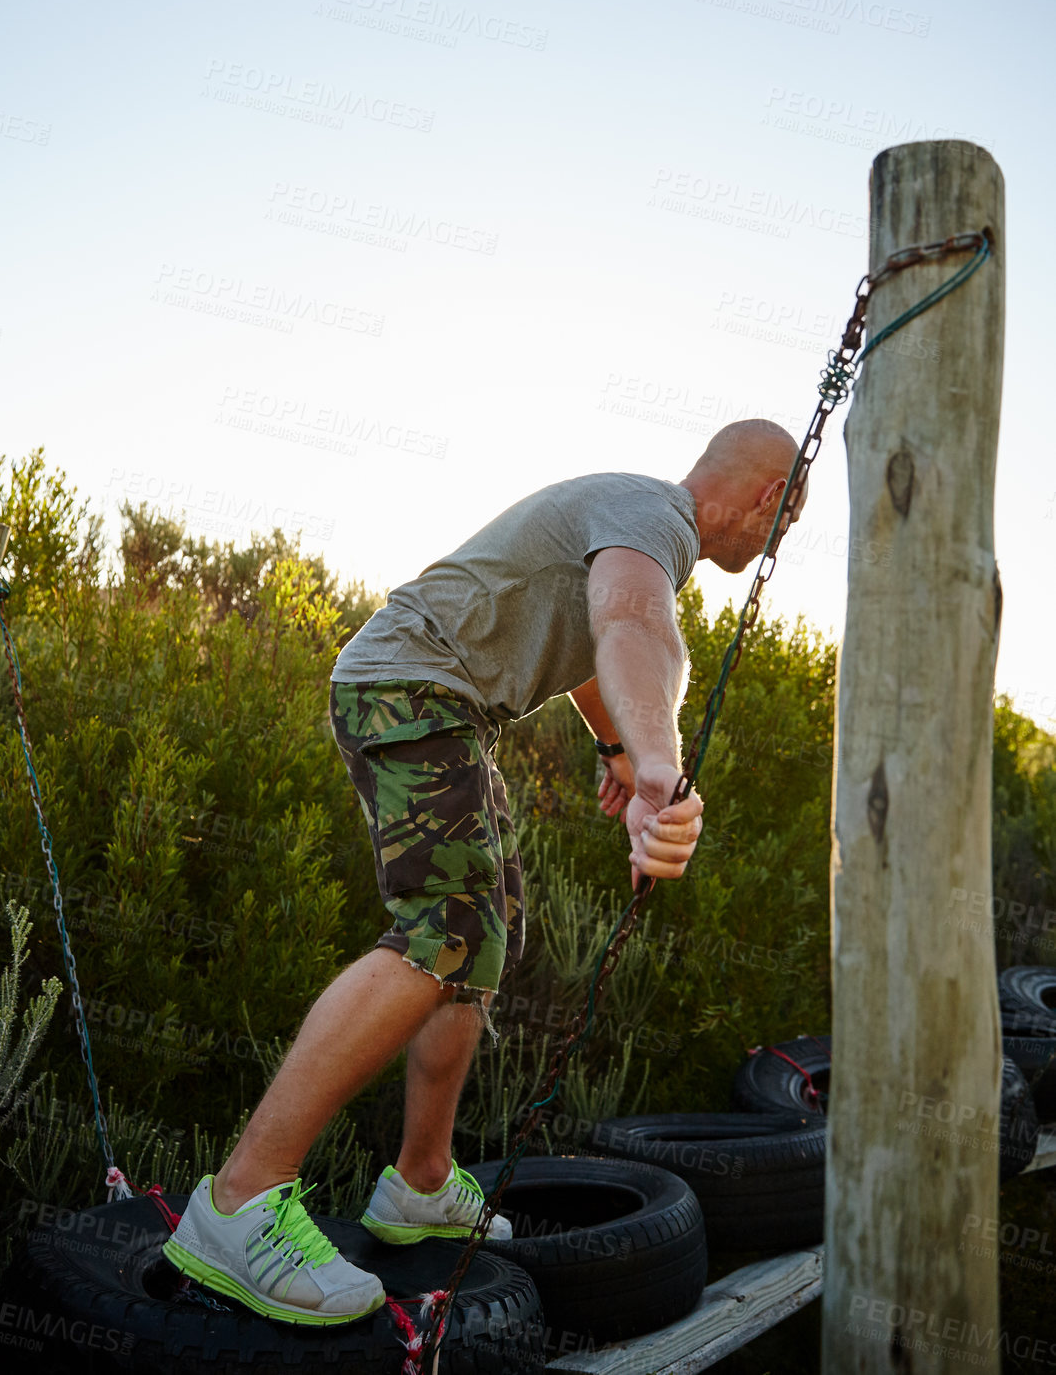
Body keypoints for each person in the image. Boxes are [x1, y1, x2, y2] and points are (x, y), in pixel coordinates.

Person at [164, 419, 805, 1323]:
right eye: (785, 526)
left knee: (481, 938)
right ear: (769, 498)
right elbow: (632, 626)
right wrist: (661, 766)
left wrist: (618, 747)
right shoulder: (654, 517)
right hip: (411, 689)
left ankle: (421, 1181)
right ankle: (238, 1202)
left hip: (441, 705)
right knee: (444, 929)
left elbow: (597, 635)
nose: (776, 544)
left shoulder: (633, 520)